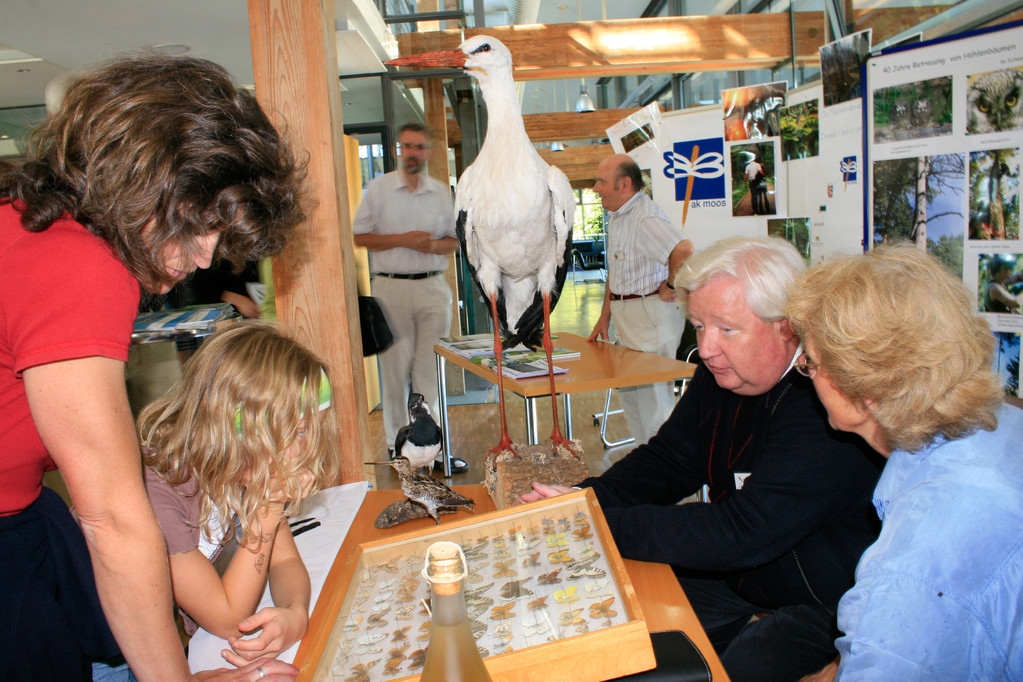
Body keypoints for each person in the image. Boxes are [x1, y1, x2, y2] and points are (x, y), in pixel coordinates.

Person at [0, 54, 304, 681]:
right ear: (147, 180)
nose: (203, 259)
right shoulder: (79, 266)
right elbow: (111, 516)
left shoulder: (28, 221)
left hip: (26, 516)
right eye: (199, 229)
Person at [526, 236, 884, 682]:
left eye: (726, 329)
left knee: (731, 672)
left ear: (787, 327)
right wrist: (580, 502)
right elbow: (668, 462)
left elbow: (740, 532)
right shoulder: (723, 373)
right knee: (632, 640)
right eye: (698, 325)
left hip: (827, 597)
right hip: (742, 574)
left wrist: (592, 525)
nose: (706, 347)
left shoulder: (825, 403)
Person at [788, 245, 1023, 681]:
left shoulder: (908, 571)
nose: (806, 370)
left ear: (865, 391)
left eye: (812, 363)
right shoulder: (1006, 424)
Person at [139, 323, 339, 664]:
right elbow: (227, 617)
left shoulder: (240, 462)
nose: (302, 449)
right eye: (297, 431)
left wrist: (295, 613)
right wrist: (270, 507)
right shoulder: (158, 492)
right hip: (109, 653)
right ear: (235, 426)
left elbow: (285, 559)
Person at [352, 122, 466, 473]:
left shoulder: (441, 193)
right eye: (406, 146)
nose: (412, 153)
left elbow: (455, 241)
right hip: (391, 289)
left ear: (428, 151)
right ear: (398, 150)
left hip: (433, 287)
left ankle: (433, 452)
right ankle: (397, 450)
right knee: (396, 373)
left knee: (430, 373)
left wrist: (429, 245)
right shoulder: (379, 189)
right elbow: (360, 236)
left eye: (418, 147)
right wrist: (402, 239)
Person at [588, 154, 693, 445]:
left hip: (649, 317)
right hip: (628, 315)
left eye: (601, 182)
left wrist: (671, 285)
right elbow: (618, 271)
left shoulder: (644, 217)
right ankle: (646, 465)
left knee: (654, 403)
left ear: (624, 184)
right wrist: (605, 315)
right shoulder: (619, 216)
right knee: (633, 400)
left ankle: (663, 476)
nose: (596, 188)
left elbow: (683, 250)